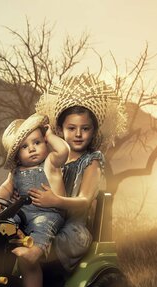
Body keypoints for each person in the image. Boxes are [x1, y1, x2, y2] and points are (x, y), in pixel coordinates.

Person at [31, 74, 127, 272]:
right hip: (50, 222)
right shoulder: (54, 158)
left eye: (85, 128)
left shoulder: (92, 161)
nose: (78, 134)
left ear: (94, 131)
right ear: (60, 129)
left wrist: (54, 201)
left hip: (73, 230)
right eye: (71, 128)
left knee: (42, 249)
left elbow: (84, 200)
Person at [0, 113, 70, 287]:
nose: (33, 149)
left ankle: (36, 248)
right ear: (17, 155)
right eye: (25, 147)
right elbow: (4, 190)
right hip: (23, 215)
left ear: (45, 143)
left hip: (48, 214)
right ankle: (12, 240)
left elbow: (63, 151)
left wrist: (47, 132)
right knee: (4, 221)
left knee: (38, 232)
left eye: (37, 142)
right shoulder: (15, 173)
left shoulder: (51, 163)